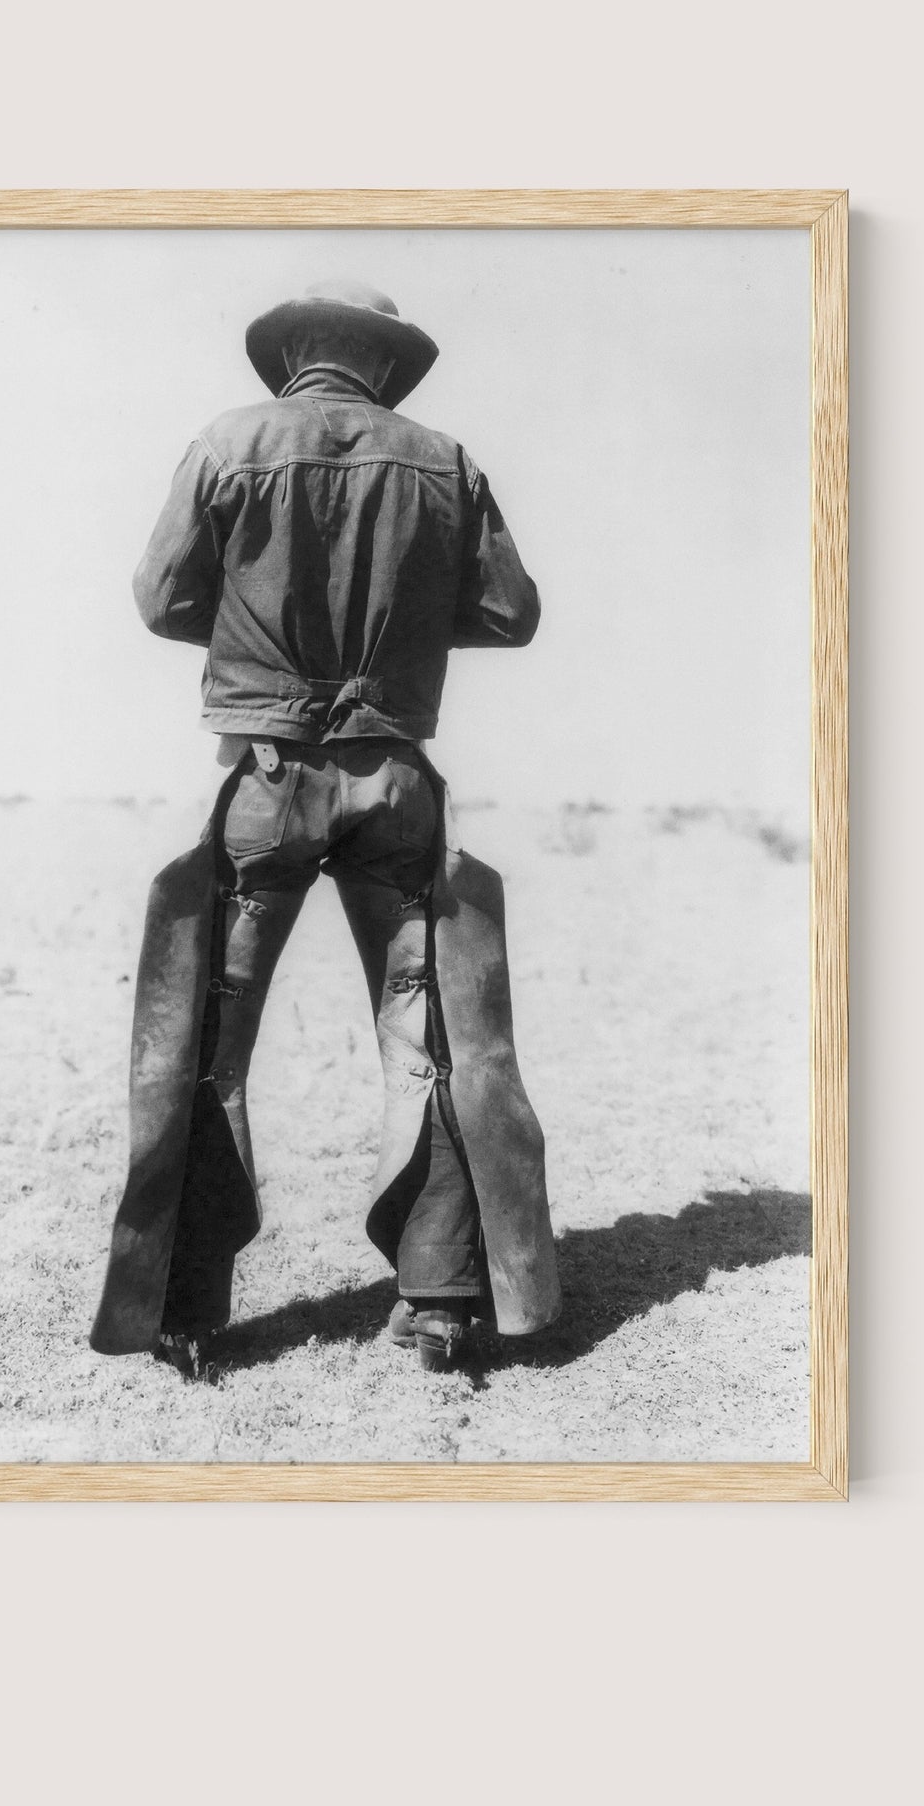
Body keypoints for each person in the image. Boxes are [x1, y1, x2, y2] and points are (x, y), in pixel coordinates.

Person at [89, 280, 560, 1373]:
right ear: (384, 364)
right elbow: (509, 612)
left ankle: (185, 1315)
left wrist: (263, 636)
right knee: (433, 1041)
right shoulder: (443, 458)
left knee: (206, 1043)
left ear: (293, 354)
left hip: (263, 778)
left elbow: (161, 600)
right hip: (395, 780)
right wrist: (397, 631)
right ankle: (441, 1307)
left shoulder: (227, 438)